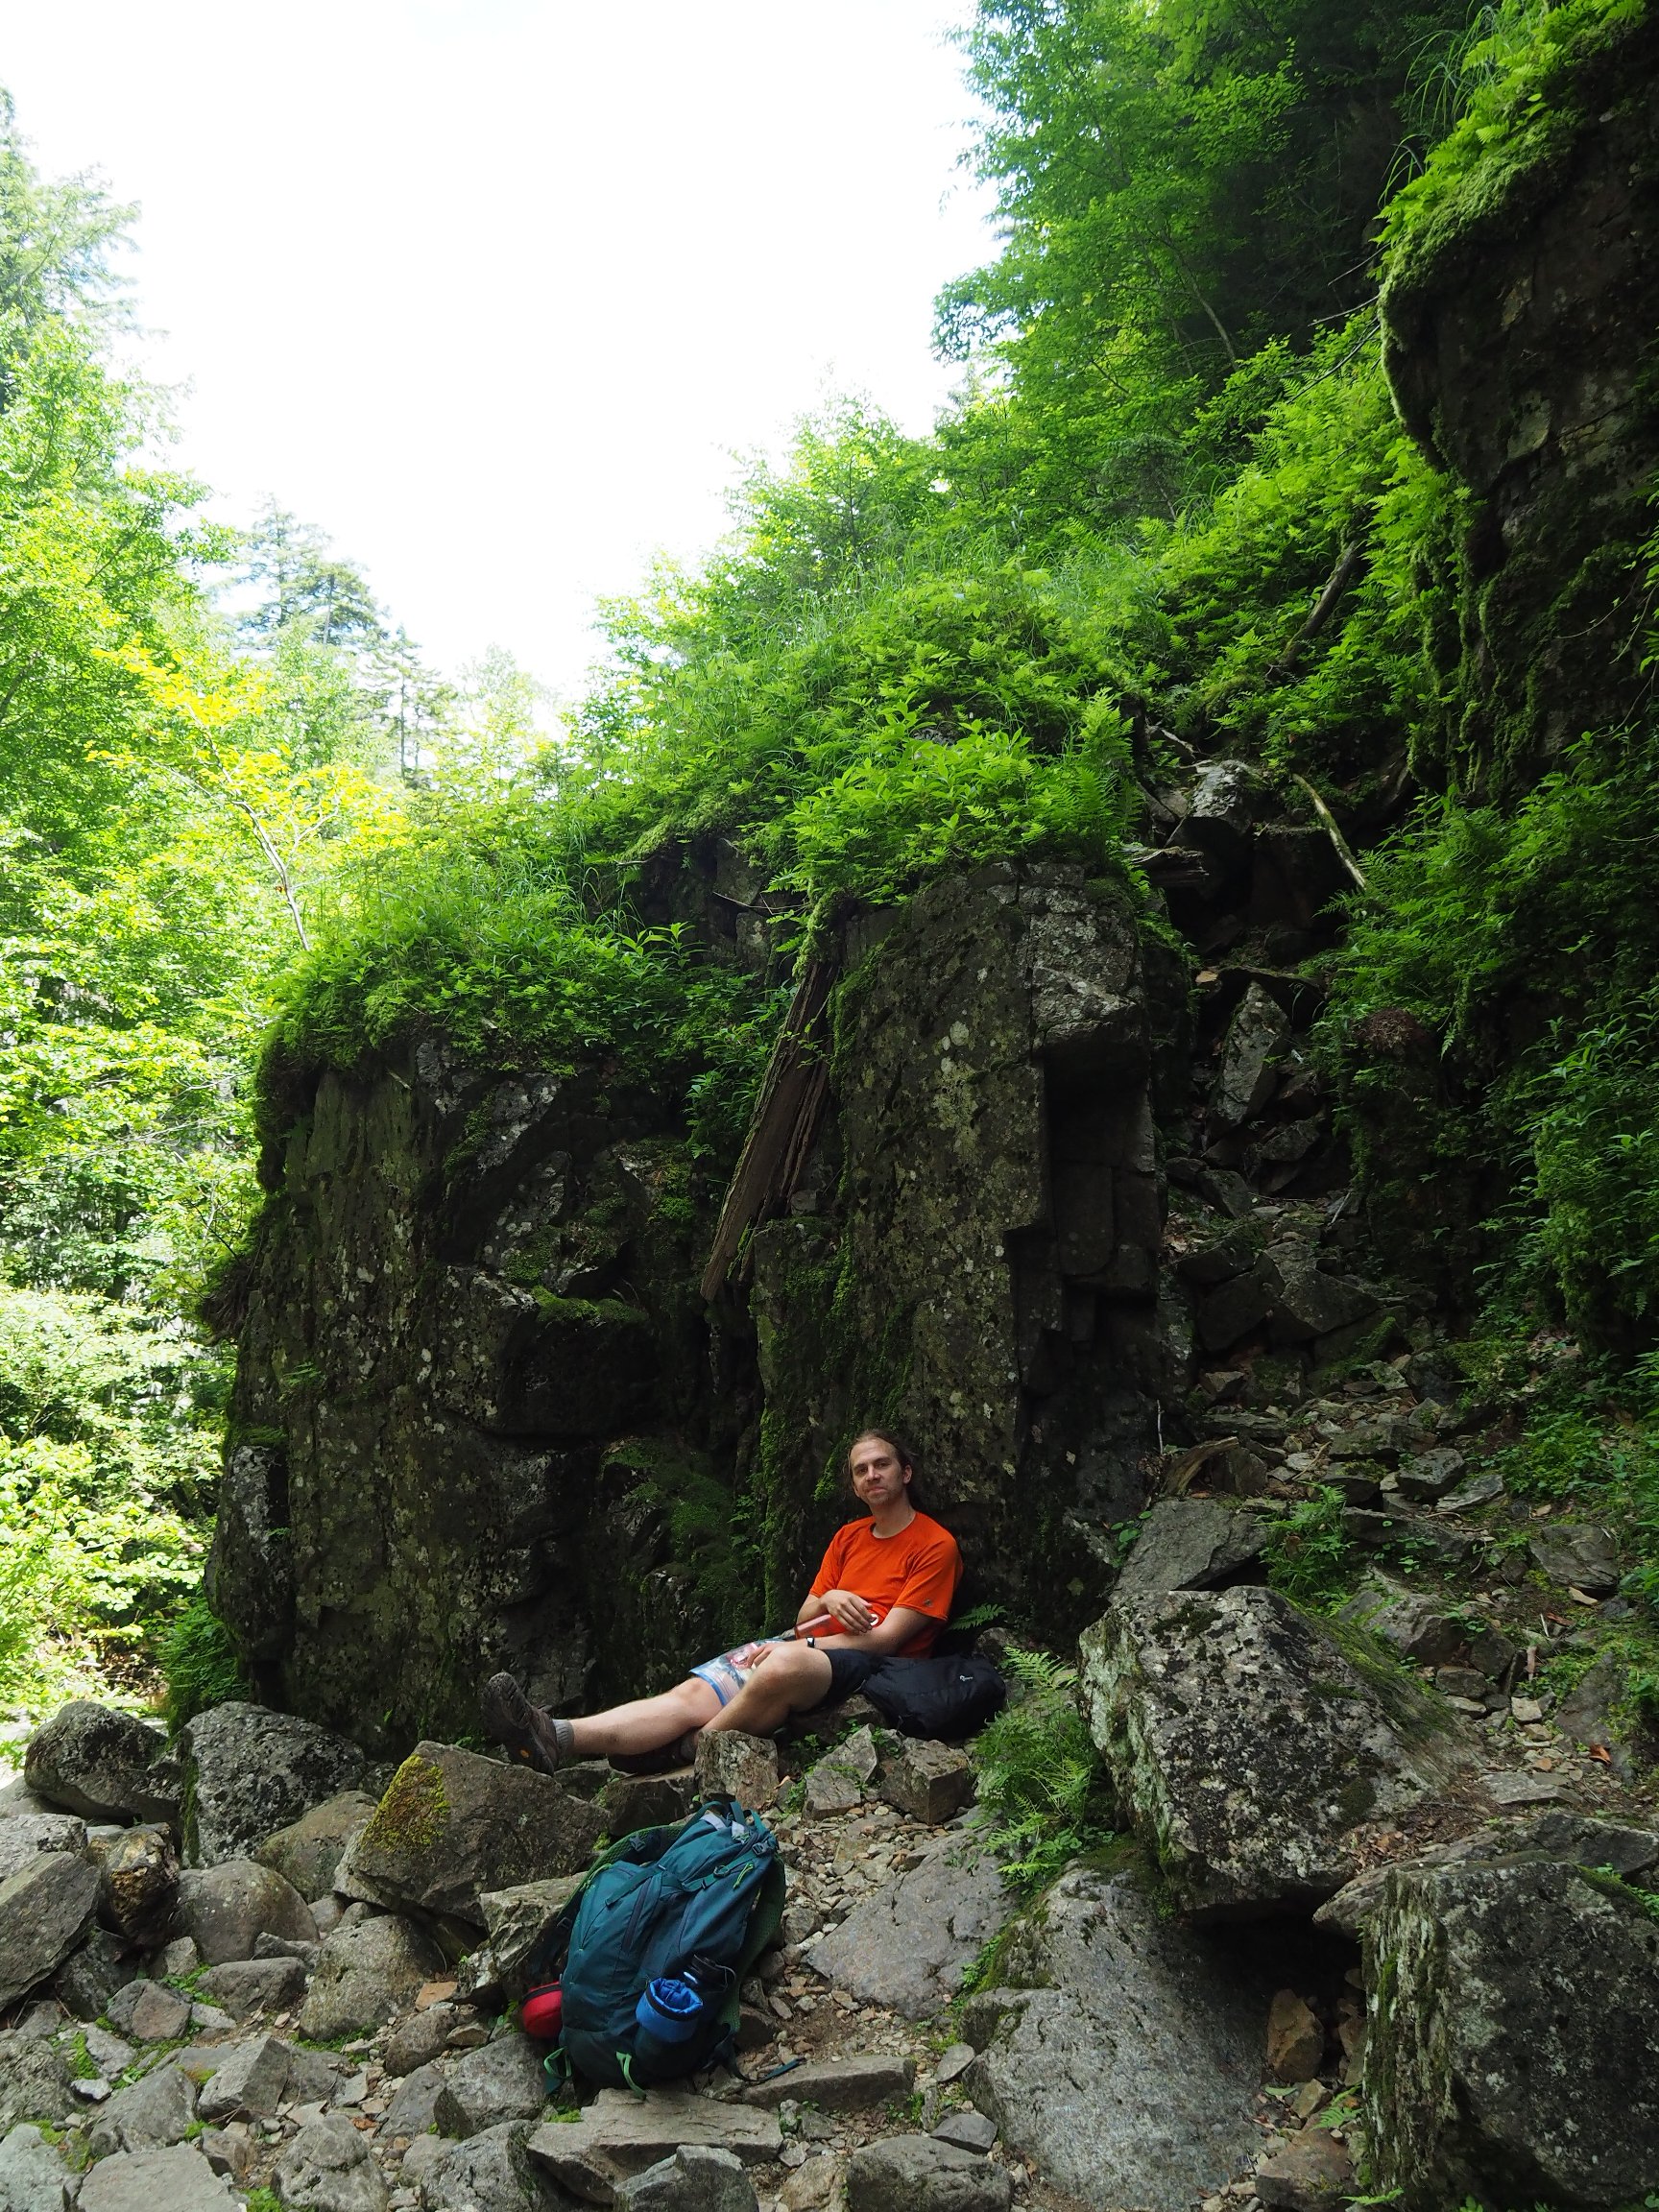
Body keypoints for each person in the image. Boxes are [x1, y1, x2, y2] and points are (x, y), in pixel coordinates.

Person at [481, 1428, 961, 1771]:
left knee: (779, 1666)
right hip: (808, 1645)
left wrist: (803, 1648)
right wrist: (831, 1598)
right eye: (861, 1470)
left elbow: (888, 1640)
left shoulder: (934, 1545)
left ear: (906, 1472)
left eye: (882, 1465)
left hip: (879, 1667)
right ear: (854, 1486)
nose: (872, 1475)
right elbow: (804, 1615)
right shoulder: (849, 1537)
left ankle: (689, 1749)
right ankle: (556, 1735)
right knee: (691, 1694)